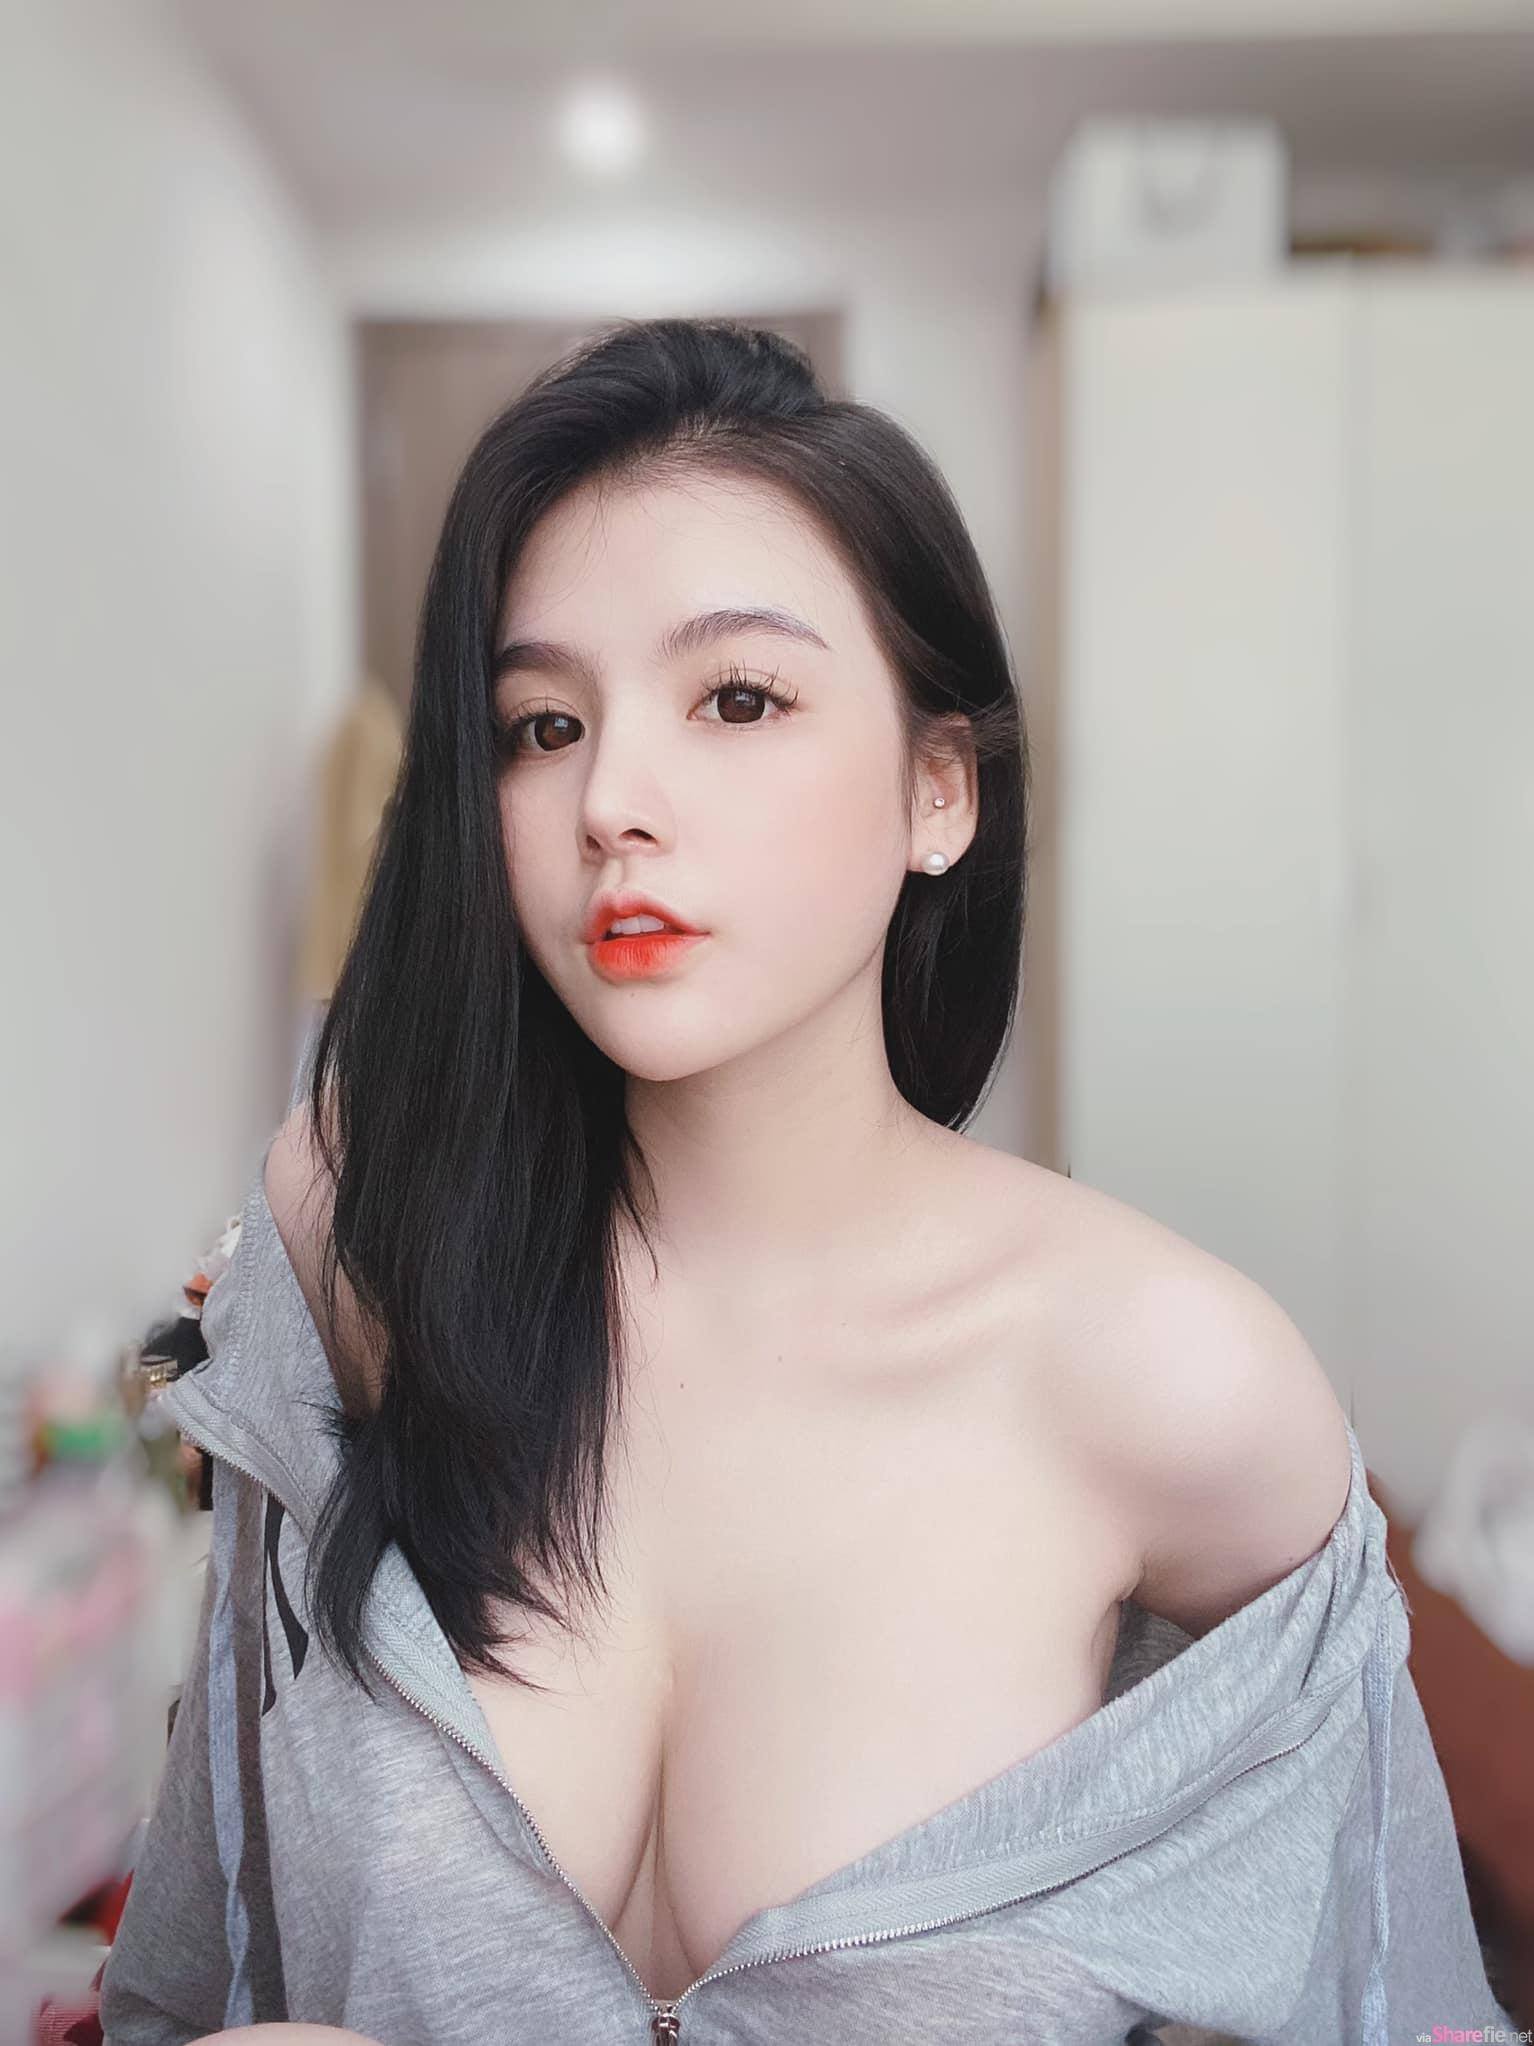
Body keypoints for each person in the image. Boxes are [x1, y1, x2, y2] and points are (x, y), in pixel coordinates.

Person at [99, 316, 1512, 2045]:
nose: (612, 798)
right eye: (542, 724)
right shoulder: (360, 1251)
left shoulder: (1168, 1373)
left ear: (939, 791)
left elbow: (1377, 1991)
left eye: (738, 699)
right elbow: (197, 1953)